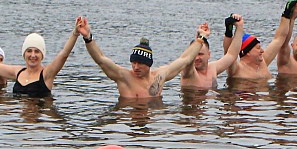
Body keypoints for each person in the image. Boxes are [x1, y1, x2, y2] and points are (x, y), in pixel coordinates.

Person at [76, 17, 208, 99]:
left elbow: (185, 59)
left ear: (149, 64)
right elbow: (100, 59)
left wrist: (201, 38)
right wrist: (88, 37)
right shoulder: (123, 77)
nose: (136, 67)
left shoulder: (160, 76)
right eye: (133, 63)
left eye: (140, 63)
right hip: (130, 118)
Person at [0, 18, 80, 97]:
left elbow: (64, 54)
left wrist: (75, 34)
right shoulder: (18, 72)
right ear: (24, 54)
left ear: (42, 55)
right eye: (29, 51)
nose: (33, 55)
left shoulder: (47, 74)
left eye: (37, 51)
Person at [225, 2, 295, 84]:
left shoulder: (262, 63)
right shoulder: (236, 69)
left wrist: (287, 14)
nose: (262, 51)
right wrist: (229, 30)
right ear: (247, 52)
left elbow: (279, 39)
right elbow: (228, 54)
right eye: (258, 48)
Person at [182, 15, 243, 90]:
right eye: (194, 55)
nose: (197, 58)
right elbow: (187, 62)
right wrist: (200, 36)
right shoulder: (189, 73)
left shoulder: (212, 68)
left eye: (200, 54)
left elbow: (231, 55)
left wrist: (239, 27)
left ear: (209, 55)